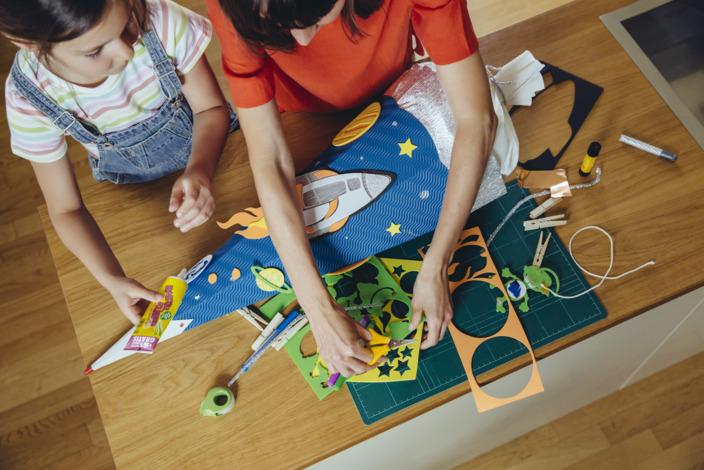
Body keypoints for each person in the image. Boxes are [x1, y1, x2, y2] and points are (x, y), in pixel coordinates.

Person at [206, 0, 497, 377]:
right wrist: (318, 308)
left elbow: (476, 118)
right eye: (277, 28)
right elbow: (270, 159)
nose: (301, 40)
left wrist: (438, 261)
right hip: (300, 119)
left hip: (393, 88)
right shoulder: (239, 4)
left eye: (311, 19)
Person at [2, 0, 237, 324]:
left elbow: (210, 110)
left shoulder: (160, 19)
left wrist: (200, 168)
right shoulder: (28, 97)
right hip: (135, 190)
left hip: (216, 152)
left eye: (128, 20)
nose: (127, 51)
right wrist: (111, 278)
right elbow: (66, 209)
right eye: (95, 50)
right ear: (28, 44)